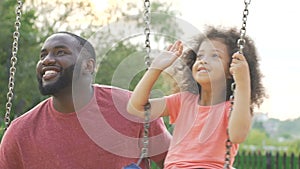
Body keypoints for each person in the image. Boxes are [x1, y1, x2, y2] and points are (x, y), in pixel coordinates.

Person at [0, 32, 172, 169]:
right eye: (43, 55)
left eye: (60, 52)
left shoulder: (132, 108)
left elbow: (175, 161)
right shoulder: (21, 133)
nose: (47, 60)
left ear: (88, 66)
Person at [127, 26, 266, 168]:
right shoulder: (183, 101)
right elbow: (136, 108)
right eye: (200, 56)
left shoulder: (232, 108)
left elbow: (237, 135)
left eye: (215, 56)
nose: (203, 61)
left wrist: (243, 82)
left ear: (231, 70)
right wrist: (155, 68)